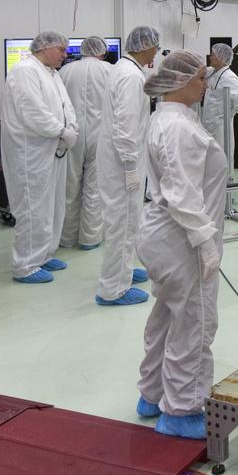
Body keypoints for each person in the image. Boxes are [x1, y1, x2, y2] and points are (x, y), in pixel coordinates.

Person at [134, 50, 228, 440]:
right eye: (201, 78)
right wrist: (205, 242)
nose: (205, 84)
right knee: (194, 321)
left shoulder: (169, 119)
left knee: (166, 316)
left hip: (164, 236)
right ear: (181, 82)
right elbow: (182, 194)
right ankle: (183, 409)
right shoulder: (178, 128)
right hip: (181, 239)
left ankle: (152, 394)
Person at [3, 30, 78, 284]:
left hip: (53, 150)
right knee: (33, 207)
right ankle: (25, 265)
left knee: (53, 205)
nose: (65, 55)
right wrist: (60, 131)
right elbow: (33, 111)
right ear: (44, 48)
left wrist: (72, 128)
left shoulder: (52, 73)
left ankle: (44, 254)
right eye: (61, 50)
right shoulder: (25, 71)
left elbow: (66, 106)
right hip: (32, 154)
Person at [95, 25, 160, 306]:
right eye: (155, 47)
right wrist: (131, 165)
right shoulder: (131, 77)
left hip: (117, 159)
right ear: (145, 46)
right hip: (122, 163)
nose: (157, 51)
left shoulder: (123, 69)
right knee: (122, 224)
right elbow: (125, 126)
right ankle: (112, 290)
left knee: (126, 222)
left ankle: (123, 271)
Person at [59, 36, 113, 250]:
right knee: (94, 187)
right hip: (101, 134)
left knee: (69, 187)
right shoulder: (110, 70)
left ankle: (66, 237)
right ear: (102, 52)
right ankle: (89, 238)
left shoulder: (66, 71)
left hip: (72, 133)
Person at [199, 43, 238, 164]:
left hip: (221, 127)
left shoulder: (229, 77)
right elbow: (200, 72)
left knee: (221, 159)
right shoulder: (213, 72)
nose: (210, 58)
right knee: (210, 160)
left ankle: (226, 182)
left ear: (221, 58)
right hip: (208, 124)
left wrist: (229, 113)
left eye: (213, 55)